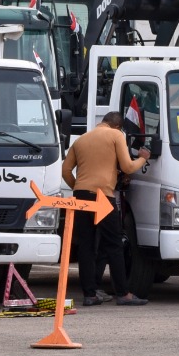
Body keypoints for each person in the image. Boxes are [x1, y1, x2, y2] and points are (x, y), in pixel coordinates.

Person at [60, 110, 149, 306]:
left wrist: (79, 188)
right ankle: (123, 294)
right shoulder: (116, 135)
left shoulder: (81, 140)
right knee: (114, 244)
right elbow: (127, 167)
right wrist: (142, 158)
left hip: (81, 196)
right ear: (117, 126)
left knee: (86, 245)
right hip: (103, 197)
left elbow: (66, 170)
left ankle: (89, 294)